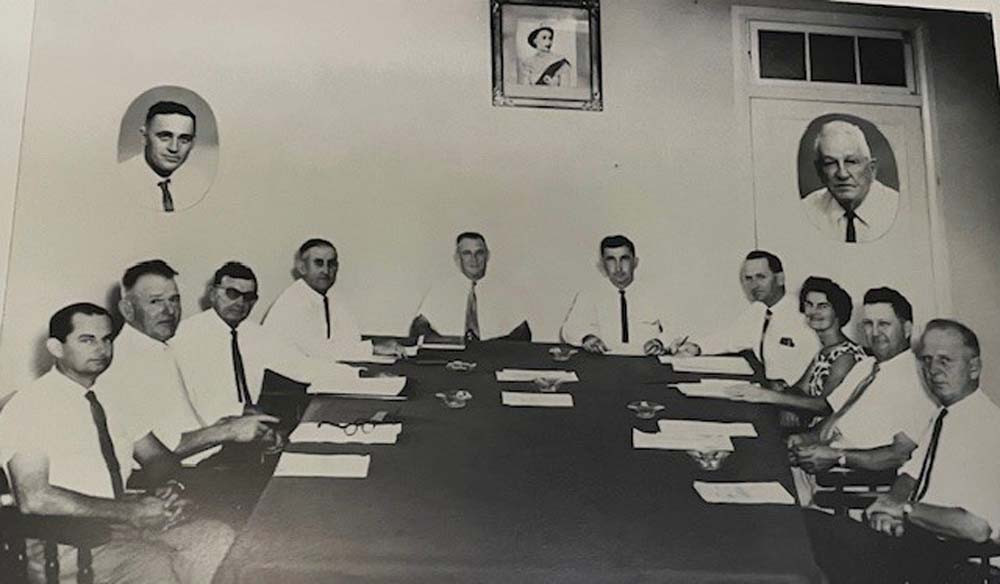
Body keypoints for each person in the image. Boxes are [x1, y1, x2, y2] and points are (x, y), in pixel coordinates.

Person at [0, 303, 234, 584]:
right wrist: (130, 511)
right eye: (87, 340)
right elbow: (35, 497)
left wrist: (171, 488)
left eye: (107, 339)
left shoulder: (113, 397)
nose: (101, 349)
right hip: (60, 540)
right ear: (56, 347)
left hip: (118, 526)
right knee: (154, 566)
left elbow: (158, 459)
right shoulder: (31, 404)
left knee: (218, 539)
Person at [804, 319, 1000, 583]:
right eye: (927, 360)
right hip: (918, 545)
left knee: (810, 547)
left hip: (960, 565)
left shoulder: (987, 428)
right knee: (799, 525)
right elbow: (911, 474)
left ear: (974, 367)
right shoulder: (945, 414)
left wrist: (905, 510)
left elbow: (976, 528)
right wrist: (890, 506)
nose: (933, 370)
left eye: (945, 360)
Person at [100, 259, 279, 465]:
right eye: (156, 302)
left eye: (174, 300)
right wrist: (229, 430)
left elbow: (187, 418)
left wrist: (242, 419)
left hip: (207, 461)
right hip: (179, 475)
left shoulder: (159, 346)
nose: (169, 311)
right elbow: (164, 449)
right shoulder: (123, 362)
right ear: (127, 309)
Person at [787, 287, 937, 506]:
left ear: (907, 328)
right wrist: (805, 439)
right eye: (868, 324)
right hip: (819, 469)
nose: (874, 332)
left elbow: (901, 455)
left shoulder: (917, 381)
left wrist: (837, 456)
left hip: (849, 485)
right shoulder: (866, 365)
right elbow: (835, 416)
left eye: (884, 324)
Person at [171, 262, 363, 426]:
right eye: (232, 293)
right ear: (212, 294)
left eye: (248, 297)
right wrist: (244, 414)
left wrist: (358, 374)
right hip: (203, 441)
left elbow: (301, 366)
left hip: (248, 433)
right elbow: (197, 401)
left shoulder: (256, 335)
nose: (240, 302)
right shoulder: (184, 337)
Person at [672, 250, 817, 384]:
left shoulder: (806, 312)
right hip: (769, 391)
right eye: (748, 279)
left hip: (799, 396)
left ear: (780, 279)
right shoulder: (758, 311)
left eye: (761, 277)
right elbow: (729, 337)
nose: (754, 285)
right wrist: (697, 347)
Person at [262, 238, 403, 360]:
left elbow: (351, 339)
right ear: (302, 267)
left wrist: (379, 345)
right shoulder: (292, 302)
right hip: (285, 386)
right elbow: (318, 353)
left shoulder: (330, 300)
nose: (325, 270)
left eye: (331, 264)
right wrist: (372, 348)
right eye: (318, 263)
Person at [761, 276, 866, 414]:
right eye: (809, 304)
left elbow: (826, 405)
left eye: (823, 306)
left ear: (838, 311)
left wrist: (773, 397)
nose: (813, 312)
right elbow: (799, 389)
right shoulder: (826, 351)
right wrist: (780, 390)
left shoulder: (845, 356)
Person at [560, 235, 672, 355]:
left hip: (647, 364)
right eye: (611, 260)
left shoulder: (656, 294)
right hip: (604, 363)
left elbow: (676, 328)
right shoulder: (589, 295)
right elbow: (569, 330)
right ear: (602, 264)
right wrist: (587, 338)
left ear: (635, 262)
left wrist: (660, 342)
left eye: (624, 259)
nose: (618, 267)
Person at [410, 232, 531, 342]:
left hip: (494, 358)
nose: (474, 259)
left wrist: (492, 348)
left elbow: (523, 334)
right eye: (467, 253)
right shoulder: (441, 290)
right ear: (457, 258)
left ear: (487, 256)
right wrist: (448, 344)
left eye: (479, 253)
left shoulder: (504, 290)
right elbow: (418, 328)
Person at [801, 120, 900, 243]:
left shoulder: (897, 208)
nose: (842, 174)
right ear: (819, 171)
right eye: (830, 163)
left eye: (851, 162)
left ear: (872, 169)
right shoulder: (807, 210)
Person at [121, 101, 204, 213]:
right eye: (165, 137)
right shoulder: (121, 179)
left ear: (193, 143)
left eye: (184, 139)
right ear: (144, 137)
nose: (174, 148)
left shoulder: (197, 185)